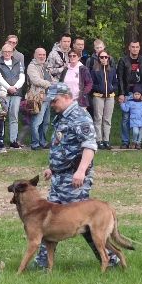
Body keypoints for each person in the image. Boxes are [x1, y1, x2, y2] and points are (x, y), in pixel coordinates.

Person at [30, 81, 116, 270]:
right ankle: (43, 263)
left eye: (55, 100)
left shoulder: (79, 116)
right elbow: (64, 145)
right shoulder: (62, 116)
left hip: (74, 179)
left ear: (68, 97)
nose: (52, 104)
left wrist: (81, 171)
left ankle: (111, 260)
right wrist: (53, 168)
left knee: (84, 223)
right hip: (60, 177)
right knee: (49, 221)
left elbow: (89, 146)